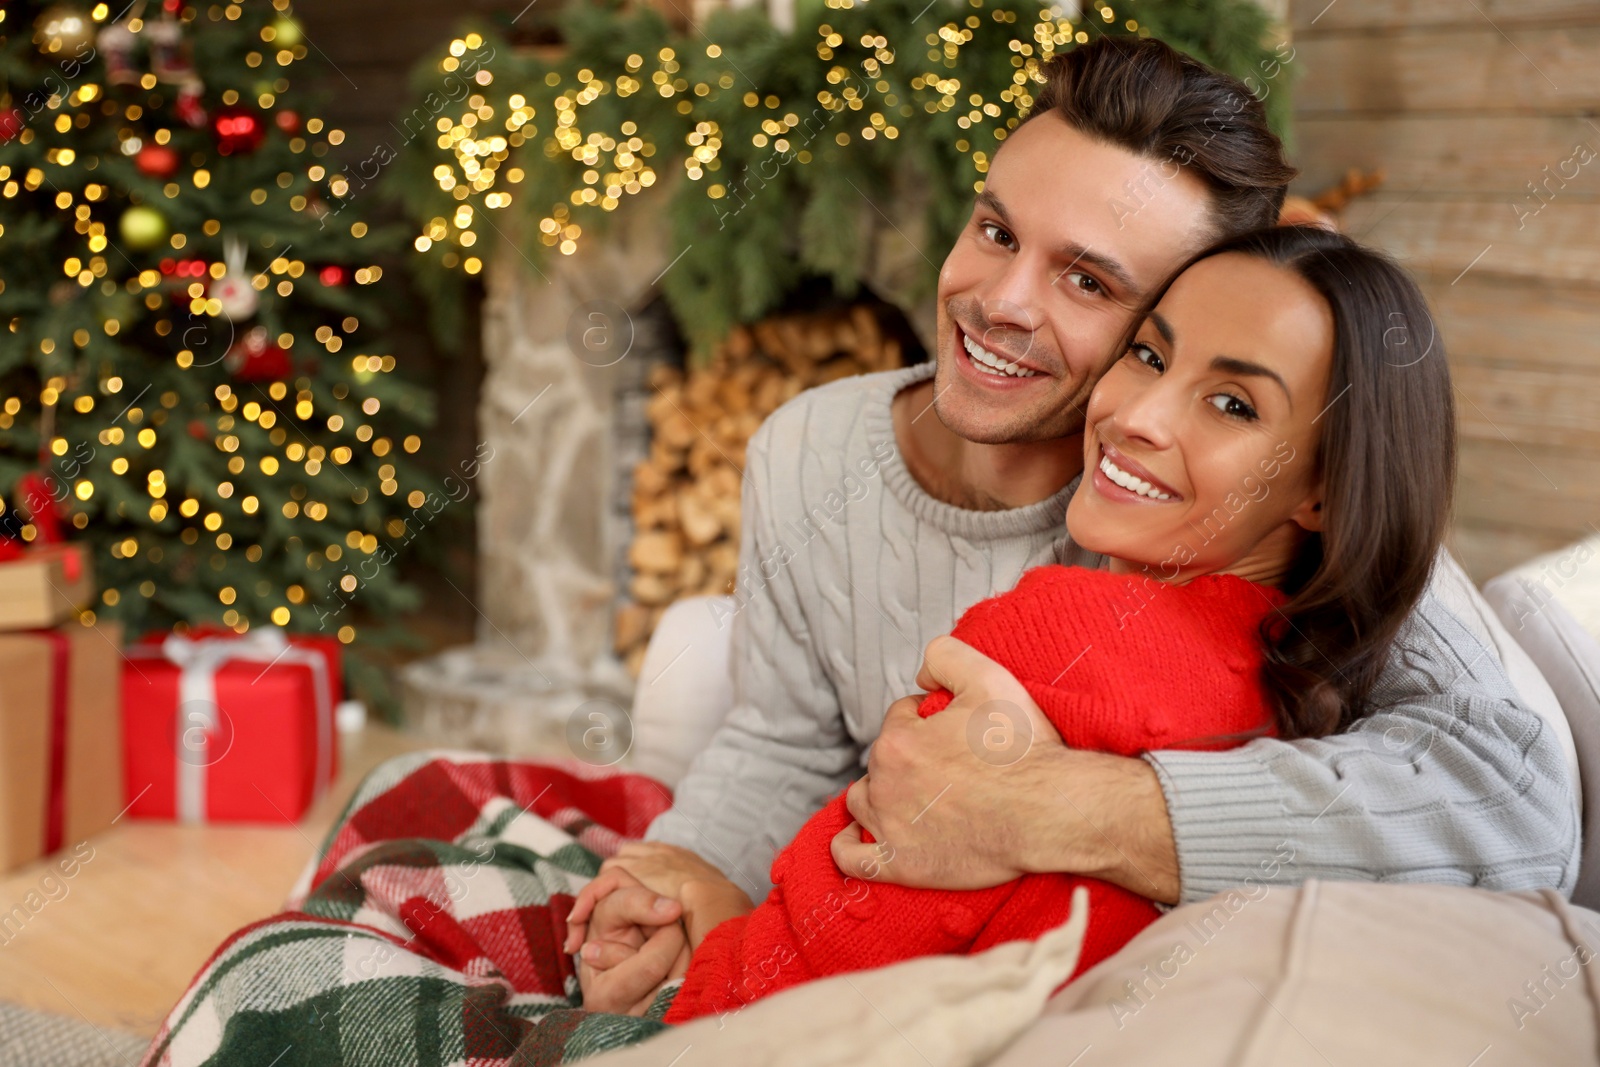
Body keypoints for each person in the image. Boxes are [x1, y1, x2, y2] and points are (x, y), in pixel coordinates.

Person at [586, 36, 1578, 1003]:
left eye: (1088, 280)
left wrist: (1057, 810)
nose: (998, 302)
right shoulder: (810, 451)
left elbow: (1512, 803)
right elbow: (784, 742)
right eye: (996, 231)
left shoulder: (1228, 509)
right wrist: (681, 877)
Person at [570, 224, 1459, 1021]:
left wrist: (704, 964)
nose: (1137, 417)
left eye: (1234, 405)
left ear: (1323, 488)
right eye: (1149, 357)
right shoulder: (1315, 676)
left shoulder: (1051, 632)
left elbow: (845, 929)